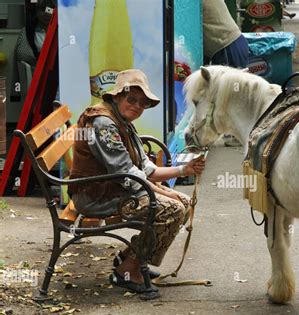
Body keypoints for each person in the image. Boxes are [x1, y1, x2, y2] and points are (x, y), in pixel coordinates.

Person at [69, 69, 206, 293]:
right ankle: (127, 272)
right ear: (116, 97)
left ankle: (130, 258)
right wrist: (164, 193)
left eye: (142, 103)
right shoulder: (102, 122)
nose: (137, 106)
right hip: (93, 196)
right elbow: (126, 173)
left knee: (184, 203)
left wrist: (184, 169)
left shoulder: (123, 121)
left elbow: (146, 169)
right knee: (170, 208)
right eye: (131, 99)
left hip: (114, 189)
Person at [202, 0, 248, 146]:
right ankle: (237, 134)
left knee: (231, 95)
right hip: (230, 43)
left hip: (226, 45)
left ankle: (239, 135)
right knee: (233, 94)